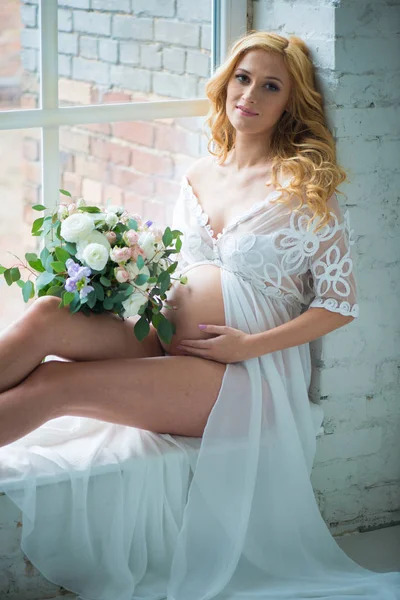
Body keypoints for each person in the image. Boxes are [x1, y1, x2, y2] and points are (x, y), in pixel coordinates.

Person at [0, 30, 399, 600]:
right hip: (168, 335)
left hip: (240, 377)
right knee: (47, 313)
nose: (251, 95)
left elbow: (339, 305)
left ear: (291, 102)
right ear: (226, 83)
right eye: (242, 78)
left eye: (270, 86)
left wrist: (247, 348)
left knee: (54, 384)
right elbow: (180, 267)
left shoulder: (306, 188)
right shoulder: (199, 173)